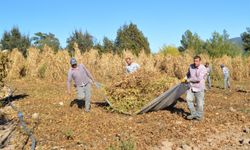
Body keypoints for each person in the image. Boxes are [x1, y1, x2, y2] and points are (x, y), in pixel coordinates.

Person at [183, 55, 207, 121]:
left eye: (197, 61)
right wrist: (185, 78)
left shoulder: (203, 68)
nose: (195, 63)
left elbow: (198, 79)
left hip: (199, 87)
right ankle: (193, 113)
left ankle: (199, 117)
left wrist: (189, 80)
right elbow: (188, 74)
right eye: (194, 61)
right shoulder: (191, 66)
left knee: (199, 103)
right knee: (188, 99)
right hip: (191, 87)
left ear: (200, 61)